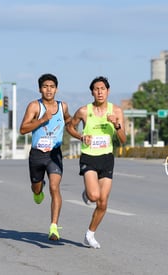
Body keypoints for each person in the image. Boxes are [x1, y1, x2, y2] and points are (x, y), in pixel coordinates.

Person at [66, 76, 126, 249]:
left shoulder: (116, 111)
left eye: (103, 89)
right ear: (92, 92)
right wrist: (81, 136)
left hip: (107, 158)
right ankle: (87, 193)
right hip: (89, 157)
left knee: (103, 202)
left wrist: (117, 126)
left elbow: (122, 140)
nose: (99, 92)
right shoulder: (84, 111)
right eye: (96, 89)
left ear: (108, 91)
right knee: (93, 196)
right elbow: (70, 127)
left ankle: (89, 234)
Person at [19, 73, 71, 241]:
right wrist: (41, 120)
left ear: (56, 89)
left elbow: (69, 121)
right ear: (40, 89)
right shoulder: (35, 106)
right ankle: (38, 189)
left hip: (54, 153)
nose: (49, 90)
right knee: (37, 187)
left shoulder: (62, 107)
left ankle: (54, 226)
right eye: (45, 86)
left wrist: (82, 131)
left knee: (54, 188)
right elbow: (23, 129)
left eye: (52, 87)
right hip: (37, 154)